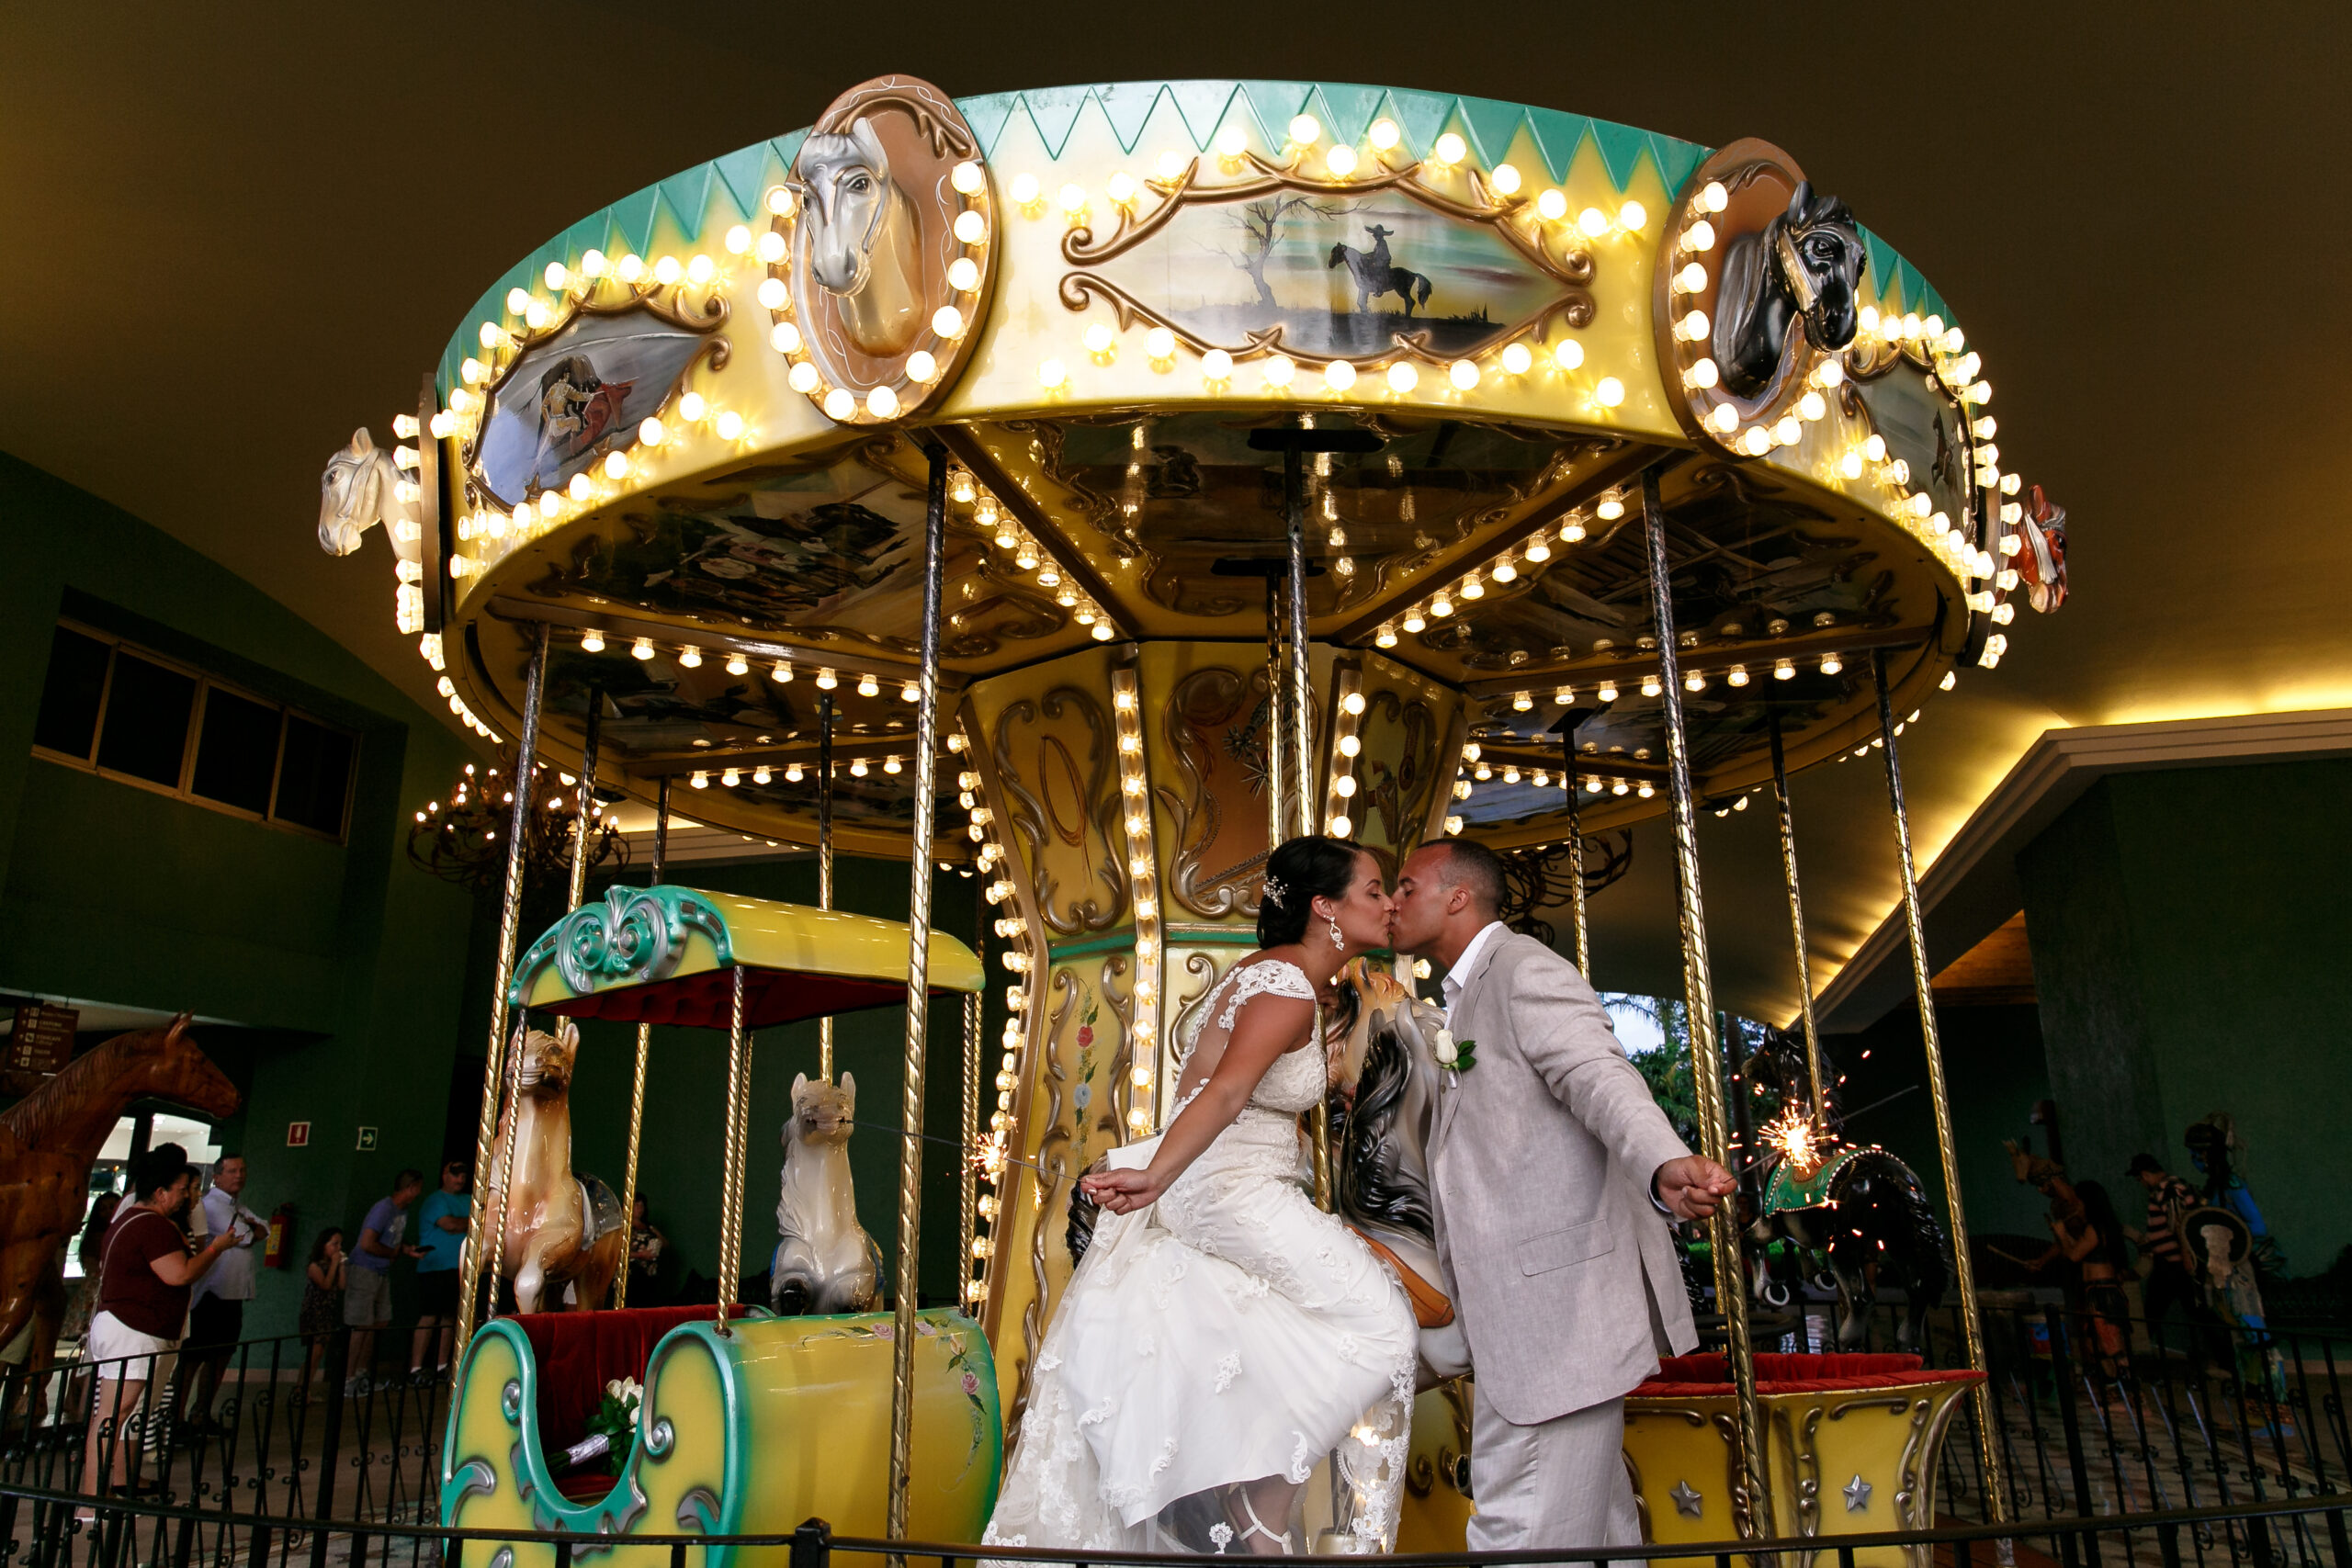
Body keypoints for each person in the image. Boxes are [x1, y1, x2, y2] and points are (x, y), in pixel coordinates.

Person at [985, 837, 1418, 1554]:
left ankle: (1251, 1498)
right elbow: (1224, 1092)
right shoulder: (1283, 986)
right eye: (1373, 889)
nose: (1388, 902)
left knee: (1308, 1331)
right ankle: (1259, 1507)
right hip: (1228, 1187)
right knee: (1388, 1327)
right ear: (1325, 907)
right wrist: (1157, 1175)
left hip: (1227, 1181)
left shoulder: (1277, 976)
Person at [1387, 838, 1734, 1557]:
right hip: (1532, 1321)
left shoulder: (1524, 971)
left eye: (1407, 885)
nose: (1394, 900)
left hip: (1556, 1318)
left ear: (1458, 896)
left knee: (1524, 1533)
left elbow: (1599, 1075)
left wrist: (1664, 1159)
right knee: (1597, 1531)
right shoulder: (1462, 996)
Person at [81, 1145, 238, 1515]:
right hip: (133, 1328)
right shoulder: (150, 1225)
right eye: (183, 1188)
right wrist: (216, 1248)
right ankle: (90, 1500)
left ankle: (99, 1492)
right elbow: (178, 1274)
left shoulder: (137, 1221)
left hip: (130, 1325)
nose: (188, 1195)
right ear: (161, 1191)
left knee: (116, 1412)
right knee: (113, 1414)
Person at [180, 1155, 266, 1433]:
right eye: (231, 1171)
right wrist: (251, 1226)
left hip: (232, 1295)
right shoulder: (212, 1205)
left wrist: (253, 1226)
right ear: (217, 1176)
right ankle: (176, 1418)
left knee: (221, 1357)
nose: (238, 1175)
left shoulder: (236, 1205)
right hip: (211, 1294)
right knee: (193, 1359)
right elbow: (247, 1234)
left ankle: (200, 1414)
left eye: (242, 1170)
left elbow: (263, 1226)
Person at [345, 1169, 424, 1393]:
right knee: (361, 1323)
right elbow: (367, 1243)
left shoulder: (402, 1211)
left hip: (381, 1271)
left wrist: (407, 1250)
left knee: (379, 1321)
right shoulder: (384, 1208)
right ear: (410, 1187)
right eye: (418, 1187)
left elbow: (393, 1240)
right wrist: (392, 1253)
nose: (419, 1193)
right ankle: (348, 1379)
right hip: (364, 1269)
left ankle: (362, 1374)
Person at [2125, 1154, 2202, 1344]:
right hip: (2173, 1262)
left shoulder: (2167, 1189)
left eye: (2140, 1180)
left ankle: (2137, 1353)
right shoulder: (2174, 1186)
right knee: (2193, 1310)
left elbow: (2179, 1225)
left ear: (2145, 1175)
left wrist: (2186, 1258)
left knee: (2155, 1311)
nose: (2142, 1184)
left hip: (2173, 1263)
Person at [409, 1161, 470, 1382]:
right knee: (429, 1316)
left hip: (458, 1268)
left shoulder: (466, 1200)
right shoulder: (435, 1200)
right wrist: (470, 1221)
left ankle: (442, 1365)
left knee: (449, 1317)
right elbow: (449, 1224)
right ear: (445, 1174)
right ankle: (416, 1368)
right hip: (434, 1268)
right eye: (455, 1174)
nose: (460, 1179)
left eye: (463, 1175)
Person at [299, 1229, 347, 1393]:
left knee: (319, 1354)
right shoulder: (314, 1266)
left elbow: (341, 1286)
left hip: (328, 1312)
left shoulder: (332, 1265)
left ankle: (307, 1390)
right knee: (313, 1353)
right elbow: (325, 1285)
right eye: (334, 1244)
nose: (338, 1248)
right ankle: (300, 1390)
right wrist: (334, 1263)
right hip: (314, 1313)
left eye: (340, 1244)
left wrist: (341, 1266)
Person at [628, 1192, 666, 1304]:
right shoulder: (624, 1227)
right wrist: (641, 1255)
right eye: (636, 1205)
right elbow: (618, 1251)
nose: (640, 1209)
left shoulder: (648, 1226)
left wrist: (655, 1232)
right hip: (632, 1275)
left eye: (642, 1205)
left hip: (649, 1275)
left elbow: (665, 1244)